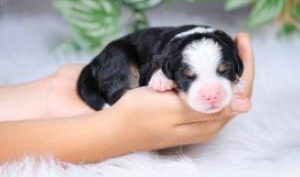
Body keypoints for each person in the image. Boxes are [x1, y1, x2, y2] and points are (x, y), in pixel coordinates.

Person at [0, 33, 254, 164]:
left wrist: (51, 93)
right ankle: (111, 97)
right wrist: (114, 129)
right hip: (122, 55)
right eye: (189, 78)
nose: (211, 92)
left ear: (235, 65)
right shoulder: (166, 59)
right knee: (121, 75)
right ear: (170, 69)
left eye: (225, 73)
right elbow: (161, 62)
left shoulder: (211, 44)